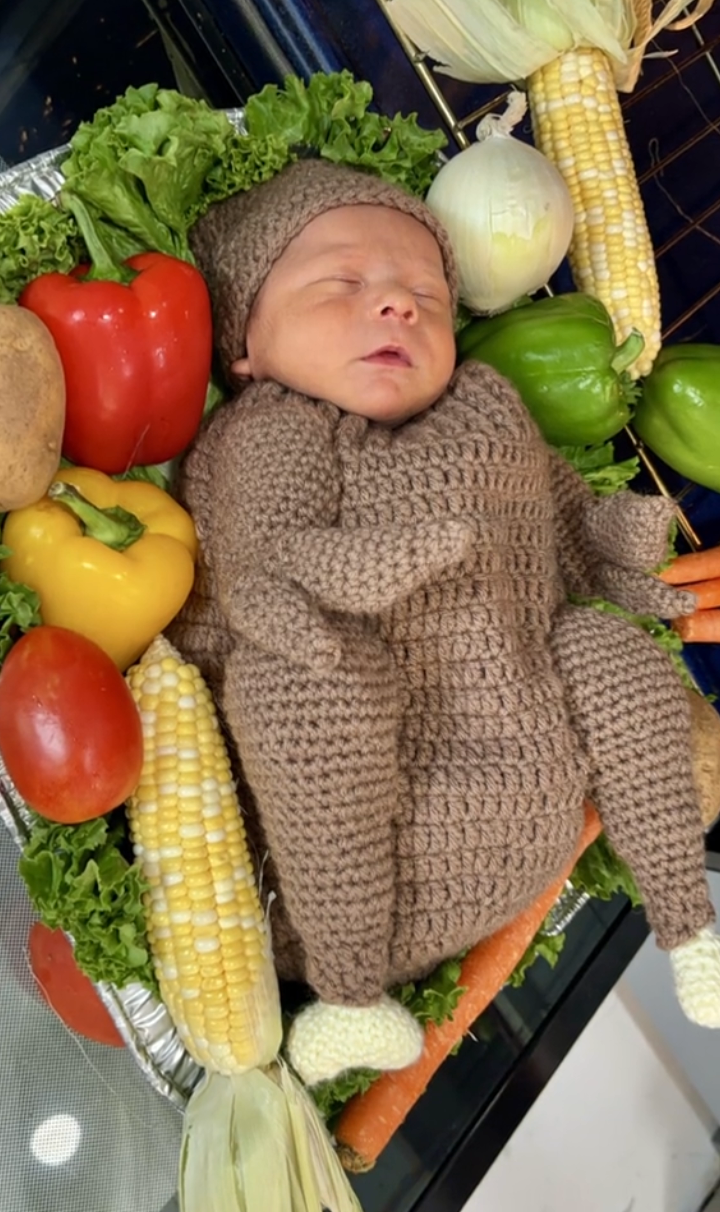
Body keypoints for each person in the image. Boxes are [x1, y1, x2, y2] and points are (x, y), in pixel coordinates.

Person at [169, 157, 720, 1087]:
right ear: (246, 350)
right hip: (338, 845)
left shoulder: (488, 411)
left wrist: (619, 550)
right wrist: (390, 558)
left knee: (605, 652)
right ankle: (351, 999)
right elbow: (269, 566)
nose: (397, 306)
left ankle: (686, 916)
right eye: (342, 283)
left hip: (520, 774)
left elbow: (564, 523)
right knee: (300, 681)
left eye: (426, 292)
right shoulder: (270, 431)